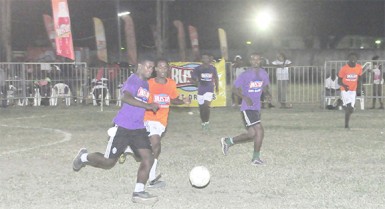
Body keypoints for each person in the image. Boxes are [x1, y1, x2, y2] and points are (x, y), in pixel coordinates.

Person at [72, 57, 160, 204]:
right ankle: (83, 157)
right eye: (148, 67)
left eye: (152, 68)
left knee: (148, 157)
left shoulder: (145, 84)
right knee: (108, 162)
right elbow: (125, 98)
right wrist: (148, 106)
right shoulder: (133, 80)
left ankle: (138, 192)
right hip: (123, 127)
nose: (150, 70)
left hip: (138, 128)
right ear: (139, 66)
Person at [119, 58, 191, 188]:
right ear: (156, 69)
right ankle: (151, 179)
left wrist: (183, 102)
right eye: (160, 67)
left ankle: (130, 149)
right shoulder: (148, 83)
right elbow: (138, 97)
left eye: (165, 67)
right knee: (155, 143)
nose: (163, 70)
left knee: (154, 149)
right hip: (148, 118)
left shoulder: (171, 83)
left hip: (162, 121)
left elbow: (172, 99)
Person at [220, 52, 272, 166]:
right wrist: (244, 97)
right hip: (247, 107)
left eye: (258, 59)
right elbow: (234, 89)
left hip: (257, 107)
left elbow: (264, 86)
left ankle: (227, 141)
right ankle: (255, 159)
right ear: (250, 61)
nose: (256, 61)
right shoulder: (245, 74)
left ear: (260, 61)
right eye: (253, 59)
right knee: (260, 131)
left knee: (252, 134)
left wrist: (267, 94)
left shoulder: (263, 73)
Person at [192, 53, 219, 132]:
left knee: (206, 106)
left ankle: (207, 122)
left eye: (207, 58)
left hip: (209, 88)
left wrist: (217, 87)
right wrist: (196, 82)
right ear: (202, 60)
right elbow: (193, 78)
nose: (206, 60)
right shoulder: (198, 69)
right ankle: (203, 122)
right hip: (201, 89)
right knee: (201, 108)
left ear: (209, 59)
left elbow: (216, 78)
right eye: (204, 58)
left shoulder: (212, 68)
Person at [338, 52, 363, 129]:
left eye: (354, 58)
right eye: (351, 58)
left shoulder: (359, 67)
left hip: (353, 90)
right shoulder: (344, 68)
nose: (353, 60)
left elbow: (359, 79)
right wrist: (345, 86)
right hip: (345, 90)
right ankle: (346, 125)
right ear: (348, 59)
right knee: (349, 107)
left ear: (356, 59)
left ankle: (341, 104)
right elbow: (339, 81)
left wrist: (359, 89)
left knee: (351, 109)